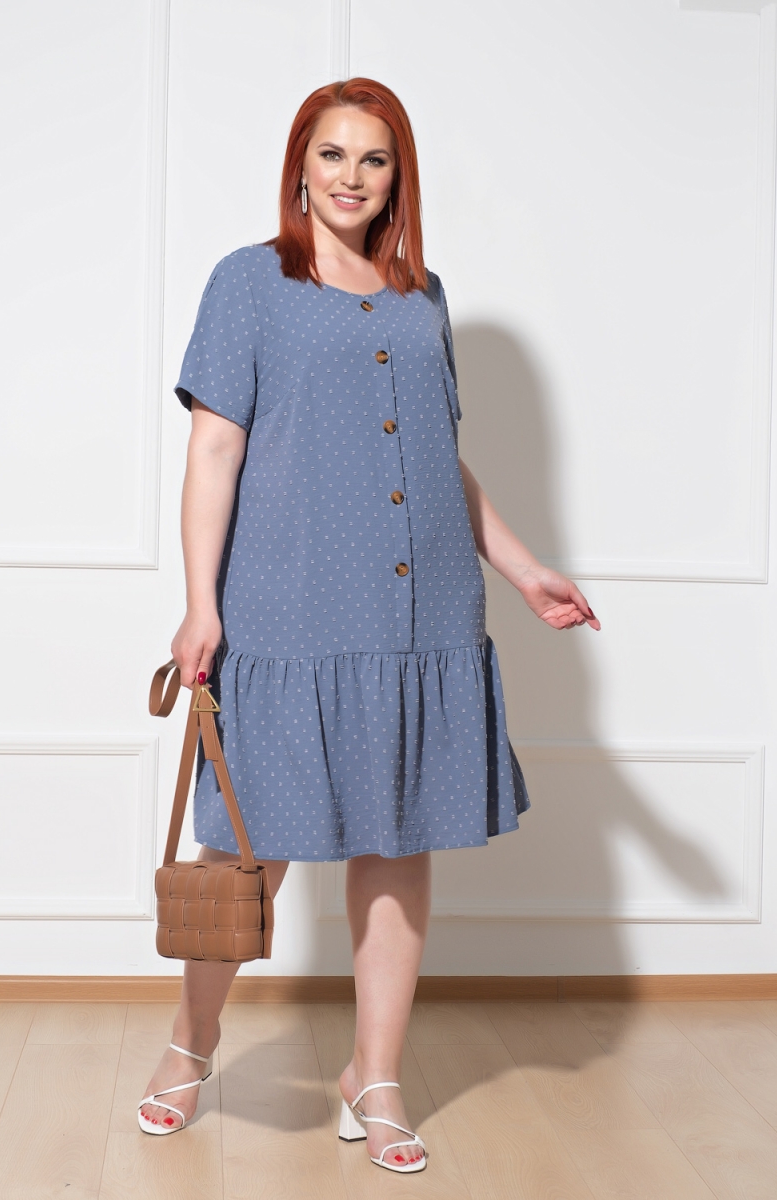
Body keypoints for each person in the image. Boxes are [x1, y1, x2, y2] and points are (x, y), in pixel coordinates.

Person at [137, 78, 600, 1174]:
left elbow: (438, 457)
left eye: (374, 159)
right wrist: (201, 602)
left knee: (397, 844)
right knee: (248, 852)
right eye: (333, 154)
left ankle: (375, 1077)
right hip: (289, 606)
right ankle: (190, 1044)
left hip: (422, 607)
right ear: (300, 167)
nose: (352, 177)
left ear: (399, 178)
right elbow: (214, 449)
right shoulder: (250, 281)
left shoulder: (421, 295)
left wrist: (524, 570)